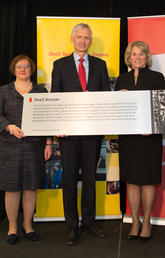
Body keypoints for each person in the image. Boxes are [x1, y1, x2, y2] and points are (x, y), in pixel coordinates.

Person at [51, 23, 110, 245]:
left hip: (92, 133)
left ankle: (88, 221)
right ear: (72, 39)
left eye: (87, 37)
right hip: (68, 135)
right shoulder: (60, 65)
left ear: (90, 40)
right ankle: (71, 225)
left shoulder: (100, 65)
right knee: (68, 180)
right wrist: (58, 128)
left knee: (89, 179)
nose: (83, 41)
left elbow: (105, 97)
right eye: (79, 37)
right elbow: (55, 97)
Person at [115, 41, 165, 242]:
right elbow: (116, 110)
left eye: (141, 54)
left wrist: (152, 128)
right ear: (129, 57)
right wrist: (119, 98)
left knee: (147, 180)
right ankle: (134, 221)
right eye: (134, 54)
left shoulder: (157, 77)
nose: (137, 57)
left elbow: (162, 108)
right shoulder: (122, 78)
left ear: (146, 57)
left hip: (149, 137)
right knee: (132, 180)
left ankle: (147, 222)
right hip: (128, 137)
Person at [0, 54, 52, 245]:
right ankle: (12, 227)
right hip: (9, 147)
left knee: (30, 188)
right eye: (19, 67)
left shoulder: (41, 92)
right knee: (12, 188)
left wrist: (48, 143)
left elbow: (48, 120)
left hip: (34, 146)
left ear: (31, 70)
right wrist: (8, 127)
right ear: (13, 70)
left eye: (27, 67)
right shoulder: (3, 91)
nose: (23, 70)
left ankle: (28, 225)